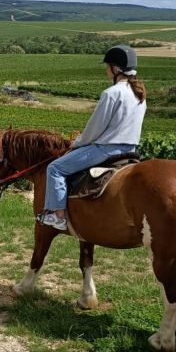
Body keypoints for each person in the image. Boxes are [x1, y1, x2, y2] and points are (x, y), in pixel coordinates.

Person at [39, 45, 147, 231]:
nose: (106, 70)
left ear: (115, 69)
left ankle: (58, 216)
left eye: (107, 66)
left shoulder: (112, 93)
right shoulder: (140, 94)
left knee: (55, 168)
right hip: (131, 150)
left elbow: (94, 130)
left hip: (106, 150)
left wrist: (77, 142)